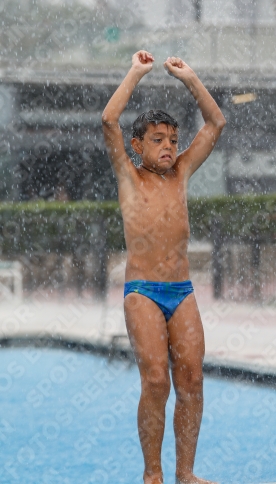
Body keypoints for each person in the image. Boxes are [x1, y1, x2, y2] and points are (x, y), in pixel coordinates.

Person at [102, 50, 226, 484]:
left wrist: (190, 79)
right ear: (137, 147)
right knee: (156, 381)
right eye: (157, 140)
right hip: (143, 291)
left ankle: (185, 474)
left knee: (191, 380)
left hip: (183, 291)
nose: (169, 147)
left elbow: (216, 125)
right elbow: (108, 121)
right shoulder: (128, 175)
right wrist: (136, 72)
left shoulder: (182, 173)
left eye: (172, 140)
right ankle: (152, 474)